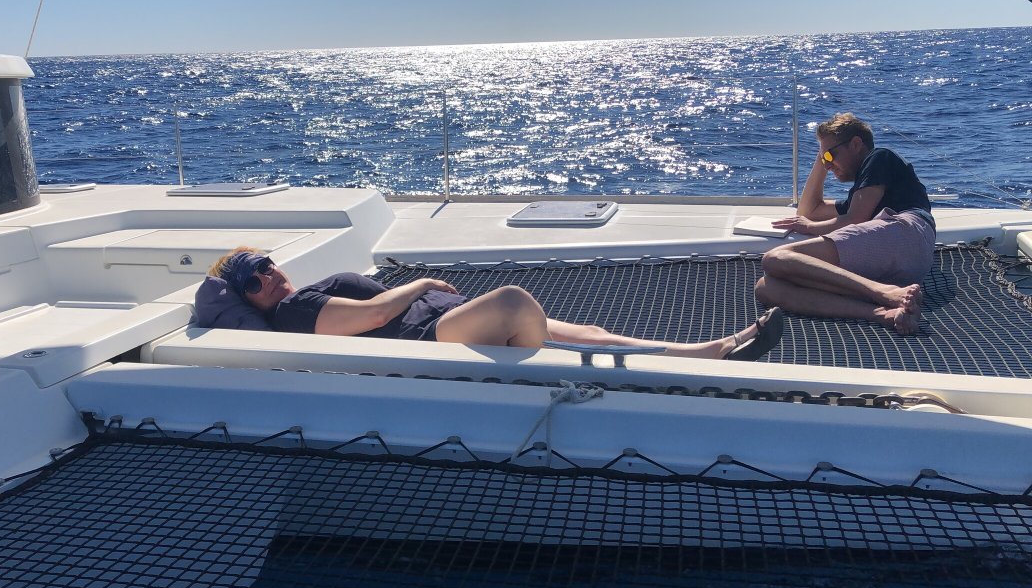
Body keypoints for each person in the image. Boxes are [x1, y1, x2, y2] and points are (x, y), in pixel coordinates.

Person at [203, 247, 785, 361]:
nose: (268, 279)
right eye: (253, 281)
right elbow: (377, 318)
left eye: (267, 265)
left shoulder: (298, 292)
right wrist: (421, 284)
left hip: (437, 323)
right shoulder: (293, 313)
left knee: (588, 327)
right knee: (512, 300)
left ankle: (698, 349)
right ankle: (552, 365)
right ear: (249, 299)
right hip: (423, 341)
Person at [754, 113, 935, 335]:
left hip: (908, 232)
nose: (828, 166)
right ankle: (884, 313)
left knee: (775, 259)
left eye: (830, 156)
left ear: (856, 144)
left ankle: (884, 292)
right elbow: (809, 210)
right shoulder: (861, 195)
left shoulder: (879, 158)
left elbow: (855, 219)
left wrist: (809, 227)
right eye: (824, 160)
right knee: (767, 288)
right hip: (899, 260)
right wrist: (823, 159)